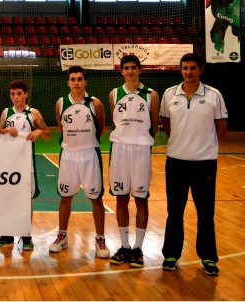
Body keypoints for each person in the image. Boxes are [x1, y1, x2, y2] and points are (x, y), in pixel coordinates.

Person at [160, 53, 228, 276]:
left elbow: (221, 128)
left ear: (201, 69)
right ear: (180, 70)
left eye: (192, 68)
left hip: (205, 164)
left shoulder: (214, 95)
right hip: (176, 162)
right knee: (175, 212)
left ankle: (208, 257)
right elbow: (167, 125)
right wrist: (182, 144)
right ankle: (171, 255)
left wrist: (203, 147)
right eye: (184, 68)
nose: (188, 72)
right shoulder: (170, 94)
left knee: (206, 213)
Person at [48, 65, 109, 259]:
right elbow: (61, 126)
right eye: (72, 79)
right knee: (65, 198)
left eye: (79, 79)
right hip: (68, 155)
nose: (76, 83)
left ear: (85, 81)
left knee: (96, 199)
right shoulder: (60, 103)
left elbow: (100, 128)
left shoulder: (95, 103)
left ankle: (100, 239)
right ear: (68, 82)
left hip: (89, 154)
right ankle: (62, 236)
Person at [107, 55, 160, 268]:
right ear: (121, 71)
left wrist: (141, 140)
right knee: (121, 199)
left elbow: (154, 125)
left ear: (140, 70)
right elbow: (114, 121)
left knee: (141, 199)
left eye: (133, 68)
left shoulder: (151, 95)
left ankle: (138, 248)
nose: (130, 71)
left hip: (141, 150)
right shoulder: (114, 94)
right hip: (119, 150)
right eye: (126, 68)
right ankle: (124, 246)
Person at [0, 80, 50, 251]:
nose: (16, 97)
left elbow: (48, 133)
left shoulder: (33, 113)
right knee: (8, 198)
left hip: (27, 163)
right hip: (9, 163)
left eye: (19, 94)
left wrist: (39, 131)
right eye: (13, 94)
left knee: (26, 199)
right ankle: (7, 233)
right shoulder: (6, 112)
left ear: (26, 94)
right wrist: (5, 130)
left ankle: (26, 234)